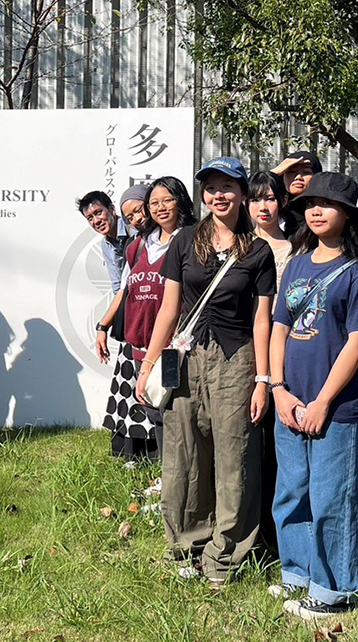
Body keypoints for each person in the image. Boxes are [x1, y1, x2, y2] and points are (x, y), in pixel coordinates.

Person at [135, 158, 275, 587]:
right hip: (186, 356)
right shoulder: (184, 241)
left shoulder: (258, 251)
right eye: (211, 187)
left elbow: (262, 320)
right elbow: (169, 308)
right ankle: (188, 544)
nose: (219, 195)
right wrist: (148, 364)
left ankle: (225, 554)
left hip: (237, 360)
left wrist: (262, 380)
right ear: (203, 195)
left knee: (235, 456)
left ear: (243, 194)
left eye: (228, 187)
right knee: (184, 453)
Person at [268, 172, 358, 619]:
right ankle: (297, 572)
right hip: (290, 400)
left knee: (333, 496)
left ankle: (334, 589)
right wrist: (278, 389)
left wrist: (323, 402)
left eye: (328, 204)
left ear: (348, 216)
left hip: (337, 407)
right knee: (292, 490)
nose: (316, 211)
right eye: (310, 203)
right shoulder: (297, 265)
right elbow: (280, 327)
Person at [95, 178, 195, 465]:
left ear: (180, 201)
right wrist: (103, 326)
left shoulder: (190, 239)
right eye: (154, 204)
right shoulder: (138, 246)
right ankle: (166, 476)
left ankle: (179, 478)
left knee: (175, 411)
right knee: (154, 407)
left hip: (175, 347)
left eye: (167, 201)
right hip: (142, 347)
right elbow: (126, 290)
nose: (159, 208)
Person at [249, 170, 293, 546]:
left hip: (283, 352)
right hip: (242, 350)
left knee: (276, 443)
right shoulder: (238, 246)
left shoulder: (296, 249)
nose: (264, 206)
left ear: (283, 202)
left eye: (271, 197)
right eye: (256, 198)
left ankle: (276, 530)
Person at [76, 190, 131, 293]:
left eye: (98, 213)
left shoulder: (133, 228)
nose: (96, 221)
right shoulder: (106, 244)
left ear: (112, 209)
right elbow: (117, 285)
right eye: (90, 218)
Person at [270, 150, 323, 237]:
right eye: (291, 172)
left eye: (306, 172)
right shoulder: (273, 208)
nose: (298, 177)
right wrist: (274, 173)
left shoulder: (321, 211)